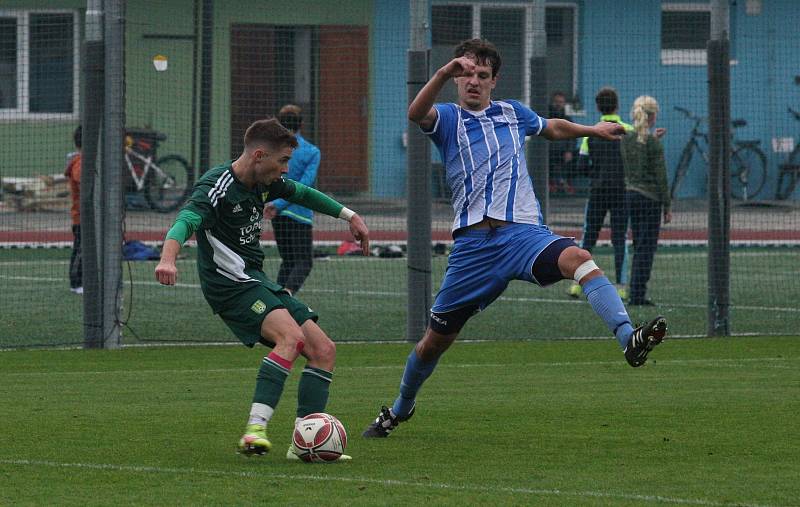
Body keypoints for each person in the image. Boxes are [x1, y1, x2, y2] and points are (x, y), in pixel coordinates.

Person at [362, 39, 667, 438]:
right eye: (465, 74)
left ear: (494, 80)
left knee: (579, 257)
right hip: (473, 249)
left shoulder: (512, 112)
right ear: (456, 79)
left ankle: (629, 339)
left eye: (481, 76)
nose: (473, 82)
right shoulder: (449, 117)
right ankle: (399, 409)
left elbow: (551, 127)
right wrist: (440, 72)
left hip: (522, 236)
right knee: (433, 344)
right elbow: (416, 112)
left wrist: (591, 128)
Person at [155, 118, 370, 460]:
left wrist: (350, 215)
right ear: (259, 155)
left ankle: (304, 444)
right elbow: (186, 220)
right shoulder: (218, 186)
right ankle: (255, 429)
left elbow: (303, 193)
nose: (286, 169)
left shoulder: (265, 183)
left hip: (255, 278)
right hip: (228, 285)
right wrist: (168, 259)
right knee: (291, 338)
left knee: (323, 350)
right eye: (283, 161)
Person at [567, 87, 632, 300]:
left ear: (597, 107)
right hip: (622, 191)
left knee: (588, 239)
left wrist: (597, 174)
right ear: (617, 105)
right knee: (620, 239)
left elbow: (581, 166)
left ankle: (578, 285)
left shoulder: (590, 134)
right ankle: (622, 287)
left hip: (598, 192)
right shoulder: (628, 131)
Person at [264, 104, 320, 295]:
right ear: (301, 123)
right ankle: (287, 294)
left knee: (288, 260)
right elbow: (305, 185)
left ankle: (278, 299)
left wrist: (274, 204)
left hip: (277, 213)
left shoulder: (272, 150)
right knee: (304, 261)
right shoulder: (312, 151)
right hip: (299, 213)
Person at [620, 96, 671, 306]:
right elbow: (660, 176)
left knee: (637, 244)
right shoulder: (652, 144)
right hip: (650, 199)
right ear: (652, 116)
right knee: (646, 249)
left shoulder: (626, 139)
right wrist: (667, 205)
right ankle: (638, 293)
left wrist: (653, 140)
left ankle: (634, 290)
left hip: (630, 196)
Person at [65, 126, 83, 295]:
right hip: (81, 218)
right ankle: (76, 283)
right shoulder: (80, 162)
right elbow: (80, 179)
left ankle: (87, 280)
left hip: (92, 217)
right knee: (81, 249)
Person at [547, 91, 576, 195]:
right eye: (556, 102)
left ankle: (567, 183)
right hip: (549, 151)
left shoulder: (568, 119)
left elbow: (573, 137)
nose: (558, 104)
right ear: (552, 102)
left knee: (573, 159)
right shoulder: (546, 118)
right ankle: (551, 184)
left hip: (563, 150)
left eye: (561, 102)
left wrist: (569, 151)